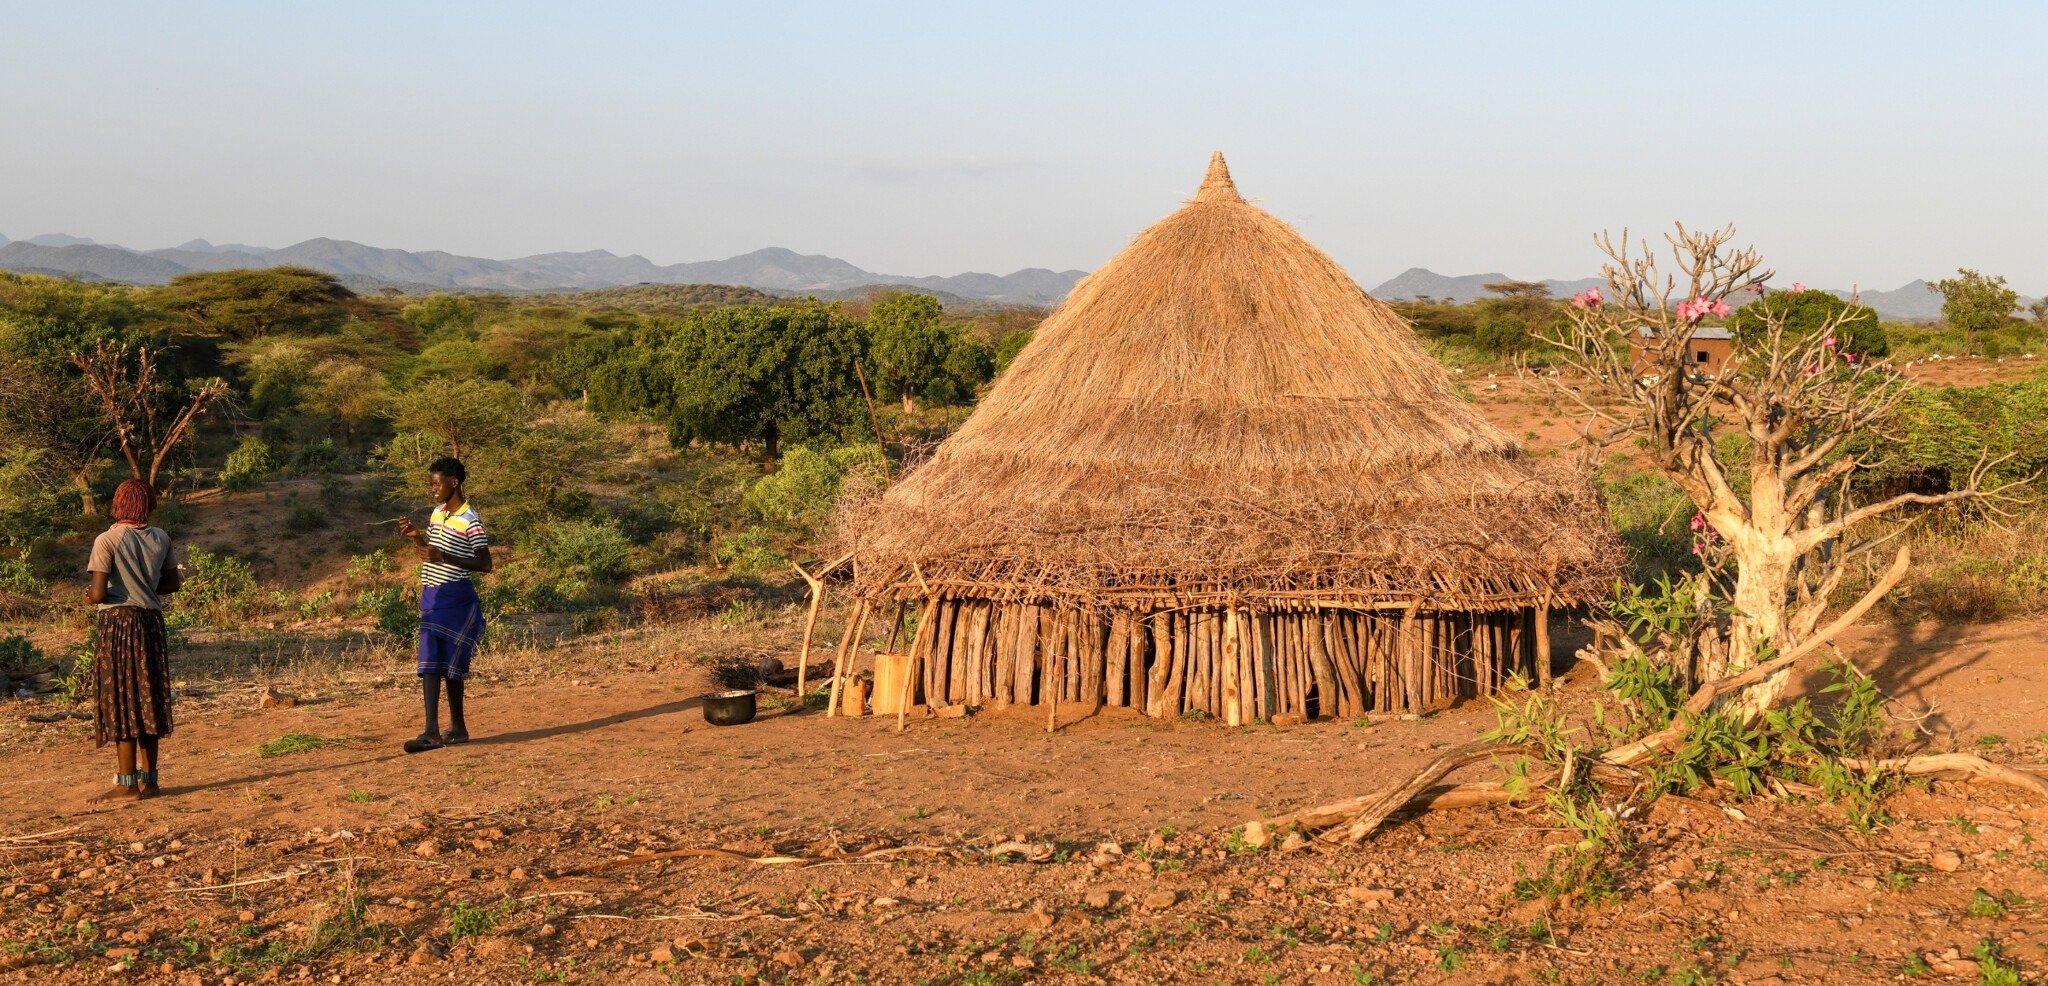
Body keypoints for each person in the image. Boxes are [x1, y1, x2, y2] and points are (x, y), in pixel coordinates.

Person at [84, 479, 181, 802]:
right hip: (151, 623)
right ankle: (150, 782)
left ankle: (127, 783)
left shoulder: (107, 540)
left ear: (119, 505)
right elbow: (171, 585)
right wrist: (144, 587)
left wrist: (89, 597)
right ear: (148, 505)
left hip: (118, 626)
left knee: (122, 701)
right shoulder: (161, 538)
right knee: (148, 699)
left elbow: (98, 593)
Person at [395, 457, 491, 753]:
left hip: (455, 596)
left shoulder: (470, 518)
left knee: (439, 665)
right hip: (433, 595)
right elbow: (431, 553)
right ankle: (457, 729)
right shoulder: (438, 513)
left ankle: (432, 733)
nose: (433, 489)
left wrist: (444, 558)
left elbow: (485, 563)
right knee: (440, 664)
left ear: (454, 482)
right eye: (431, 484)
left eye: (437, 483)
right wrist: (417, 537)